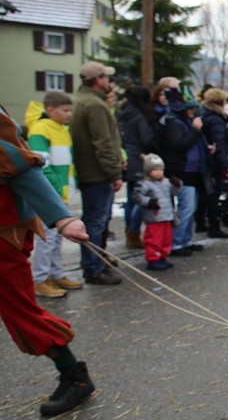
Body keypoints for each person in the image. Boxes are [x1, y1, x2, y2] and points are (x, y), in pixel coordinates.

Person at [0, 104, 95, 416]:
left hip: (3, 235)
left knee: (22, 313)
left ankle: (74, 376)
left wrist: (62, 219)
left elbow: (21, 166)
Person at [70, 61, 123, 285]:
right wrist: (114, 172)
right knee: (96, 222)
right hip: (97, 174)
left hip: (90, 172)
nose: (109, 82)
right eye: (106, 78)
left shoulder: (82, 101)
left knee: (95, 220)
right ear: (98, 80)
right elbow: (103, 143)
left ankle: (96, 262)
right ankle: (93, 268)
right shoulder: (95, 105)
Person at [25, 91, 82, 298]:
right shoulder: (40, 130)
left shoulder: (62, 129)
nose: (69, 115)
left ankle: (57, 273)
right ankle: (40, 279)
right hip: (50, 194)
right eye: (65, 110)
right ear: (50, 110)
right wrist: (52, 190)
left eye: (70, 111)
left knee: (58, 237)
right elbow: (42, 164)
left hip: (63, 192)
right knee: (47, 238)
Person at [159, 89, 206, 257]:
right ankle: (177, 243)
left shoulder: (184, 122)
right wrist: (194, 130)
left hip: (192, 171)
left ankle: (186, 240)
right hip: (182, 171)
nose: (193, 112)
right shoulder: (176, 124)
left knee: (190, 208)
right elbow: (179, 145)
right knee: (186, 208)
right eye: (189, 109)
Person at [116, 86, 159, 250]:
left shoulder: (123, 114)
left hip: (127, 157)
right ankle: (133, 233)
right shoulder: (139, 116)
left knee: (131, 198)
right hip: (139, 158)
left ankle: (130, 233)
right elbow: (146, 139)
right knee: (141, 199)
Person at [199, 88, 228, 239]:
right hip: (214, 163)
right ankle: (214, 226)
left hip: (205, 161)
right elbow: (219, 143)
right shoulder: (216, 119)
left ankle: (201, 222)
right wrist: (225, 163)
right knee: (213, 195)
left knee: (205, 194)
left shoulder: (204, 115)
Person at [135, 153, 177, 271]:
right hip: (154, 217)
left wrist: (177, 185)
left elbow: (175, 192)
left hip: (166, 215)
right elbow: (137, 197)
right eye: (155, 170)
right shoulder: (144, 184)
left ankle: (163, 256)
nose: (158, 172)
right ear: (148, 171)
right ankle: (153, 259)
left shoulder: (165, 182)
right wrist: (149, 202)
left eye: (160, 170)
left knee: (166, 238)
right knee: (154, 239)